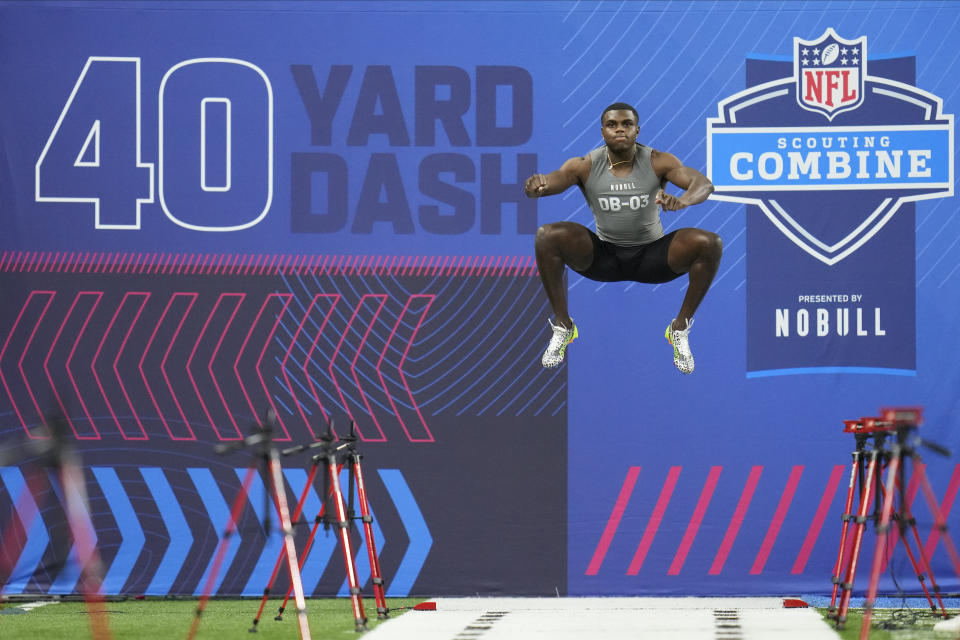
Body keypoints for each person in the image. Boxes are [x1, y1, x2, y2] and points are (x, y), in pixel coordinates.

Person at [523, 102, 722, 374]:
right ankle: (563, 326)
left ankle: (679, 329)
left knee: (710, 243)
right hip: (604, 257)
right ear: (602, 131)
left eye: (626, 124)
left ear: (637, 130)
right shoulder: (583, 165)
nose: (620, 130)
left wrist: (682, 200)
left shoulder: (658, 161)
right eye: (612, 125)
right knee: (547, 236)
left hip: (653, 257)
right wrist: (537, 188)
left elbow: (704, 184)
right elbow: (551, 182)